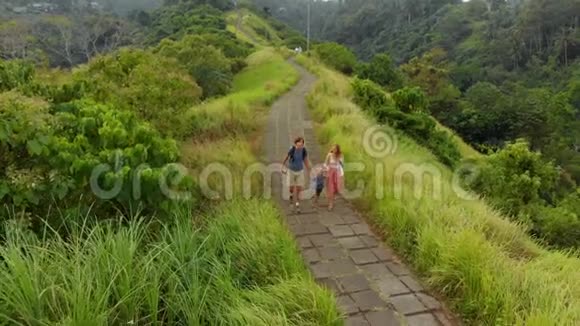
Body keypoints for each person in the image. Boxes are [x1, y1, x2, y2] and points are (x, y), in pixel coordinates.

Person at [282, 137, 310, 213]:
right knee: (291, 188)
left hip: (300, 171)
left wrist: (309, 169)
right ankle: (291, 199)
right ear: (296, 143)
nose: (301, 144)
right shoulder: (292, 149)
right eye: (299, 142)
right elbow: (286, 157)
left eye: (302, 142)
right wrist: (283, 165)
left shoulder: (303, 150)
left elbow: (305, 160)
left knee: (298, 188)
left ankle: (297, 204)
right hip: (291, 170)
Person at [324, 144, 343, 211]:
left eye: (335, 148)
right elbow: (325, 163)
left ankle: (332, 199)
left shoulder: (340, 156)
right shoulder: (329, 155)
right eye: (333, 148)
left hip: (337, 173)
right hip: (330, 172)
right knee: (330, 188)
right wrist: (326, 170)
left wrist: (341, 175)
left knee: (336, 188)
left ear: (337, 150)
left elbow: (341, 165)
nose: (334, 149)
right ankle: (330, 203)